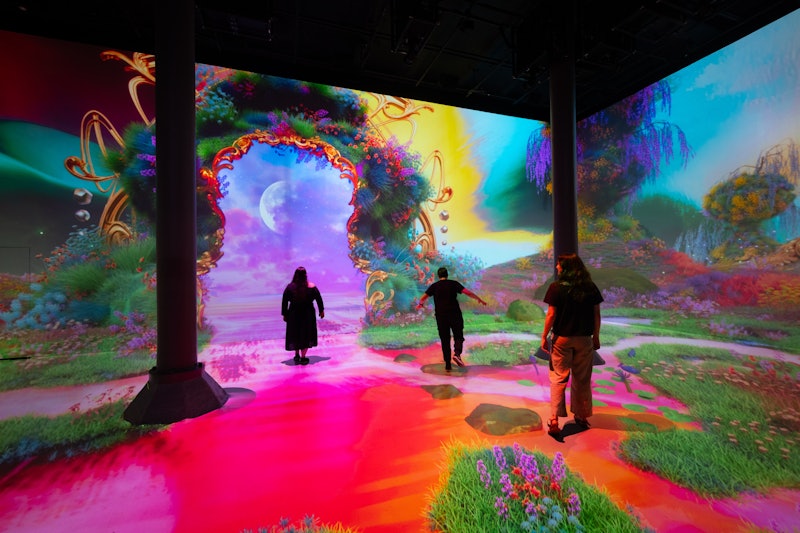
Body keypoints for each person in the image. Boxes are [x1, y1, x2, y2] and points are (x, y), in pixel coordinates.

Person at [540, 253, 603, 437]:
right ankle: (581, 416)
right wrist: (596, 336)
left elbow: (551, 314)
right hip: (584, 339)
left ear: (566, 268)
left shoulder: (556, 288)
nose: (557, 267)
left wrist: (544, 336)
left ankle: (554, 419)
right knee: (582, 379)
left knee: (558, 378)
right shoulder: (590, 287)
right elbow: (596, 314)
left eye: (559, 265)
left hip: (562, 340)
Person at [416, 267, 487, 371]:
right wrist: (478, 299)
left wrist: (420, 304)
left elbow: (423, 297)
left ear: (438, 276)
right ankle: (457, 354)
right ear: (447, 275)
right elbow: (467, 292)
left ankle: (448, 365)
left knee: (445, 339)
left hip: (441, 317)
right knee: (458, 336)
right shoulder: (453, 284)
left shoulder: (434, 286)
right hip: (455, 314)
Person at [282, 266, 325, 364]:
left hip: (293, 314)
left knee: (295, 333)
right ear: (305, 275)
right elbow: (319, 299)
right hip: (307, 314)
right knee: (306, 334)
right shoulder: (312, 287)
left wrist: (284, 314)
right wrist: (321, 311)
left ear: (295, 275)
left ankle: (297, 355)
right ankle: (303, 357)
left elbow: (284, 301)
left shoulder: (290, 287)